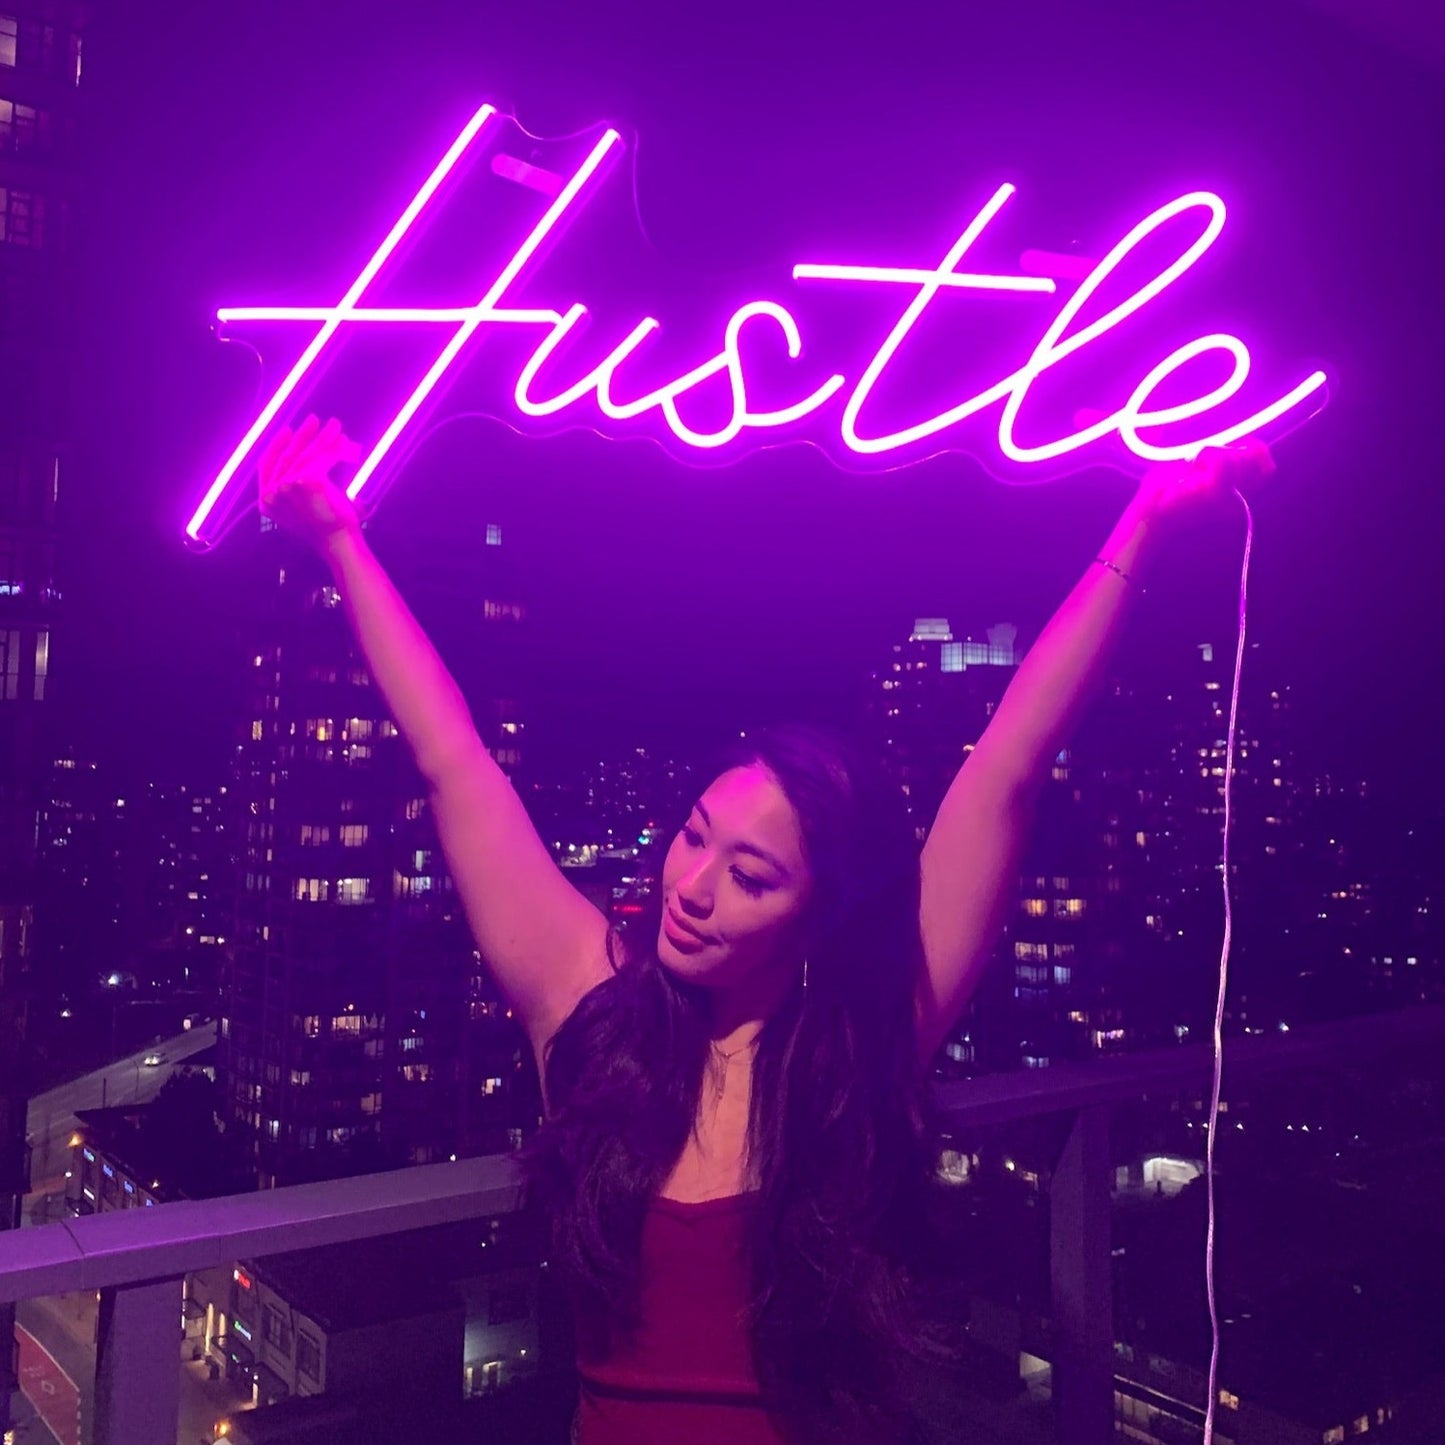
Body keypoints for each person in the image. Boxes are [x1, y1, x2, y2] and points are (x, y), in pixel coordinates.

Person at [258, 415, 1273, 1444]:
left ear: (814, 912)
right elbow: (453, 758)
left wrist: (1144, 518)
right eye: (692, 836)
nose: (691, 886)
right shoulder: (588, 1004)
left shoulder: (850, 1040)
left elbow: (1008, 759)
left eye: (749, 875)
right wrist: (339, 539)